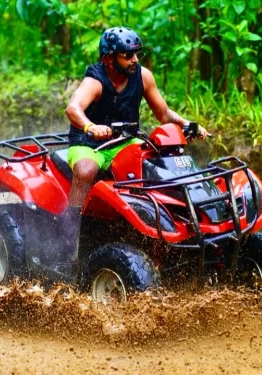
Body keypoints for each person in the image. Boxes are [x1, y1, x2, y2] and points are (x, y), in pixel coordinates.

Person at [47, 26, 209, 281]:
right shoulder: (96, 80)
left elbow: (164, 114)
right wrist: (91, 126)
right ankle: (70, 236)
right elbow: (73, 108)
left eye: (136, 54)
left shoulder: (143, 77)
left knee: (153, 169)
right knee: (86, 170)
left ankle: (154, 233)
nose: (134, 60)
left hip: (125, 141)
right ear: (109, 58)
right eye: (127, 55)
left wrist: (187, 124)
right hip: (90, 143)